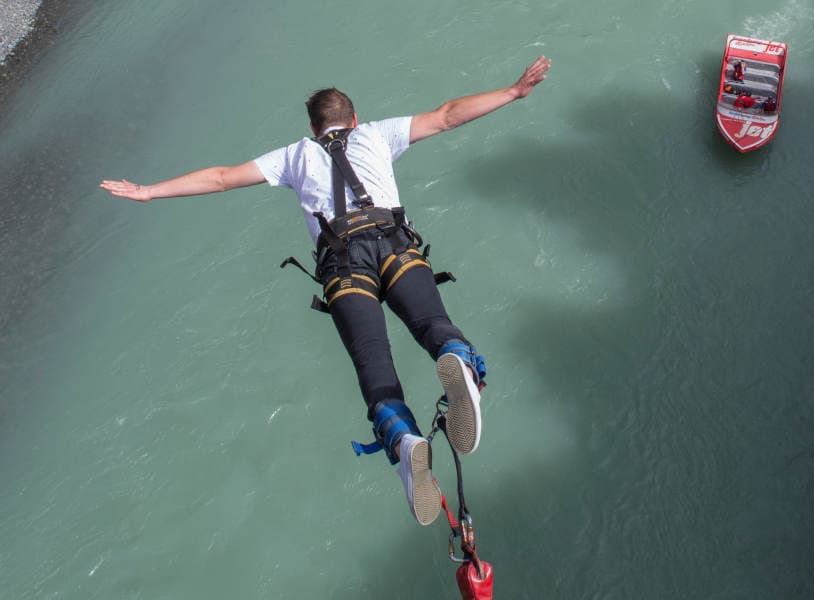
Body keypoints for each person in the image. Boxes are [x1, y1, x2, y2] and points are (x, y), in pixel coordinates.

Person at [101, 56, 552, 527]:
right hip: (394, 246)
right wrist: (513, 91)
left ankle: (404, 440)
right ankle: (456, 360)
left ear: (313, 128)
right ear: (353, 120)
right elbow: (446, 115)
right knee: (432, 325)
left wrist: (150, 191)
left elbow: (220, 177)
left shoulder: (293, 156)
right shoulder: (376, 134)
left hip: (343, 266)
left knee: (373, 362)